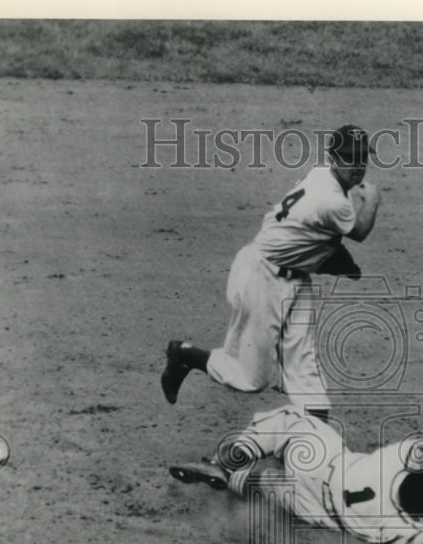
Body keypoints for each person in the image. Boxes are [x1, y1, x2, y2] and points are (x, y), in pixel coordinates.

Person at [160, 125, 381, 422]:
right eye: (350, 158)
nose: (358, 165)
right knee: (251, 379)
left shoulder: (321, 175)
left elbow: (313, 236)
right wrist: (372, 200)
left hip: (294, 277)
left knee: (303, 364)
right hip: (261, 278)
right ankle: (185, 355)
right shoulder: (332, 201)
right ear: (333, 159)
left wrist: (340, 262)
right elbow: (360, 231)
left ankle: (315, 429)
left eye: (362, 157)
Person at [169, 404, 423, 544]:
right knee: (268, 486)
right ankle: (237, 480)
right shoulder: (394, 524)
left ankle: (226, 462)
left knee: (292, 419)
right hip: (316, 510)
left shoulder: (398, 459)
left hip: (323, 465)